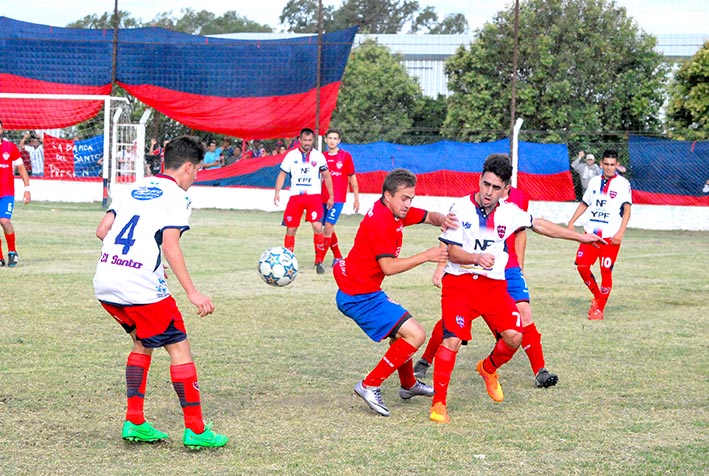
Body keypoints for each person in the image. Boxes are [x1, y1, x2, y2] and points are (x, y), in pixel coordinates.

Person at [428, 154, 605, 424]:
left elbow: (542, 226)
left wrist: (580, 236)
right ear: (480, 179)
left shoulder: (510, 212)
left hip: (493, 286)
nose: (488, 192)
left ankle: (488, 369)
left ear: (506, 190)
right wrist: (476, 259)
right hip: (459, 284)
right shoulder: (460, 208)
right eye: (485, 184)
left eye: (495, 188)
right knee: (451, 339)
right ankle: (438, 403)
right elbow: (452, 252)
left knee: (514, 337)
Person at [93, 135, 228, 448]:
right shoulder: (177, 197)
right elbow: (170, 244)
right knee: (179, 348)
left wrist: (135, 259)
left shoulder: (133, 188)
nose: (195, 178)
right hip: (140, 288)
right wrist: (193, 292)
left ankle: (135, 421)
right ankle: (196, 430)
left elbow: (102, 231)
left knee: (142, 342)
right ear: (189, 167)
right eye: (197, 171)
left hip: (106, 280)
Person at [334, 168, 456, 417]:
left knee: (402, 332)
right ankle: (369, 385)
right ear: (387, 196)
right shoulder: (381, 220)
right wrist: (427, 255)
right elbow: (388, 267)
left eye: (411, 198)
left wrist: (445, 220)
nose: (408, 204)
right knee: (416, 334)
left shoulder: (393, 211)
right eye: (404, 198)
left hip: (361, 289)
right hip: (358, 295)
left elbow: (431, 216)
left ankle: (409, 385)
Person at [416, 184, 559, 389]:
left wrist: (520, 266)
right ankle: (426, 360)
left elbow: (521, 234)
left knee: (524, 314)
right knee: (455, 321)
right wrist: (441, 267)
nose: (491, 188)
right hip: (474, 269)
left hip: (507, 268)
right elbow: (451, 236)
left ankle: (540, 371)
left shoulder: (518, 199)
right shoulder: (476, 198)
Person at [567, 149, 632, 320]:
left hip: (610, 236)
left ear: (617, 165)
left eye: (613, 165)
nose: (609, 168)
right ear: (601, 164)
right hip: (590, 234)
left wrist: (621, 233)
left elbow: (627, 211)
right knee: (582, 266)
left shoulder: (623, 184)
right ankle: (597, 296)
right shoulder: (595, 181)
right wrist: (572, 222)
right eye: (606, 164)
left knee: (605, 272)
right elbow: (584, 203)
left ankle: (599, 309)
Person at [274, 127, 334, 274]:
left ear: (312, 140)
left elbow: (327, 176)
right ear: (299, 140)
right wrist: (277, 192)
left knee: (317, 226)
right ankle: (289, 262)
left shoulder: (319, 156)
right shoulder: (291, 156)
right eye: (304, 140)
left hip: (313, 197)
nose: (307, 143)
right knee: (291, 228)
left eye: (309, 140)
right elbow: (282, 175)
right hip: (296, 197)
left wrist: (331, 196)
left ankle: (319, 262)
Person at [321, 129, 360, 267]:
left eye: (335, 138)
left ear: (339, 141)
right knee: (326, 228)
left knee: (328, 226)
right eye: (329, 138)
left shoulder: (345, 157)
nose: (332, 140)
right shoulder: (321, 157)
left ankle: (319, 260)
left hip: (338, 198)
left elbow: (352, 178)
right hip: (322, 198)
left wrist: (356, 198)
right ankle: (338, 256)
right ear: (325, 140)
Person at [0, 120, 31, 267]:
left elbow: (22, 168)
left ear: (2, 130)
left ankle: (12, 251)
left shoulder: (10, 148)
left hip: (6, 193)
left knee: (5, 221)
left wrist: (27, 189)